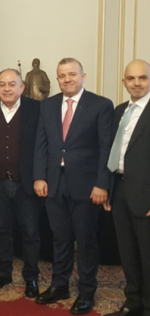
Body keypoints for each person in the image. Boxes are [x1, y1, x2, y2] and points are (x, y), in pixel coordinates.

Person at [33, 57, 113, 315]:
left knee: (86, 241)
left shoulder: (101, 105)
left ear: (83, 76)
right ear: (57, 79)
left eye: (72, 74)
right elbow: (41, 144)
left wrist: (102, 184)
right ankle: (60, 286)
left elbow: (106, 148)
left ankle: (87, 292)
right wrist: (39, 176)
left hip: (87, 186)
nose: (67, 79)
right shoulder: (47, 105)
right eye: (62, 75)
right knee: (60, 239)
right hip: (54, 184)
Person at [0, 69, 41, 297]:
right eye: (2, 84)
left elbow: (43, 146)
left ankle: (31, 276)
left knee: (30, 232)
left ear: (21, 87)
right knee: (2, 230)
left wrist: (40, 177)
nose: (7, 88)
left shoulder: (36, 109)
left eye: (12, 84)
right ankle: (4, 272)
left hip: (27, 183)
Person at [104, 59, 150, 316]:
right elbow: (113, 150)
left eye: (142, 77)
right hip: (120, 189)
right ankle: (132, 302)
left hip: (146, 193)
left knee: (147, 253)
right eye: (131, 78)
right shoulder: (120, 110)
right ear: (124, 82)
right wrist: (109, 189)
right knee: (128, 252)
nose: (136, 83)